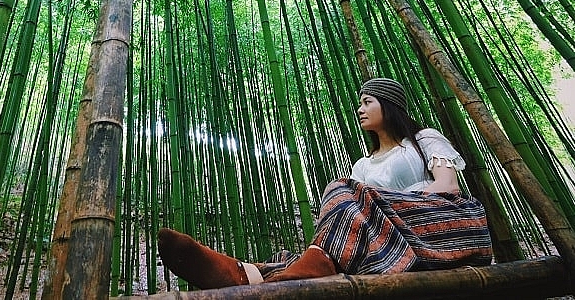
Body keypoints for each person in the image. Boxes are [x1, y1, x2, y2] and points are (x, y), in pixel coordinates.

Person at [158, 77, 493, 289]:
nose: (358, 108)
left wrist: (378, 203)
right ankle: (249, 273)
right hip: (380, 244)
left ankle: (265, 273)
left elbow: (448, 187)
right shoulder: (362, 165)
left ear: (388, 105)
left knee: (342, 191)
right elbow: (353, 216)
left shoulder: (424, 139)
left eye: (367, 102)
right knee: (342, 195)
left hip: (433, 229)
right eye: (359, 102)